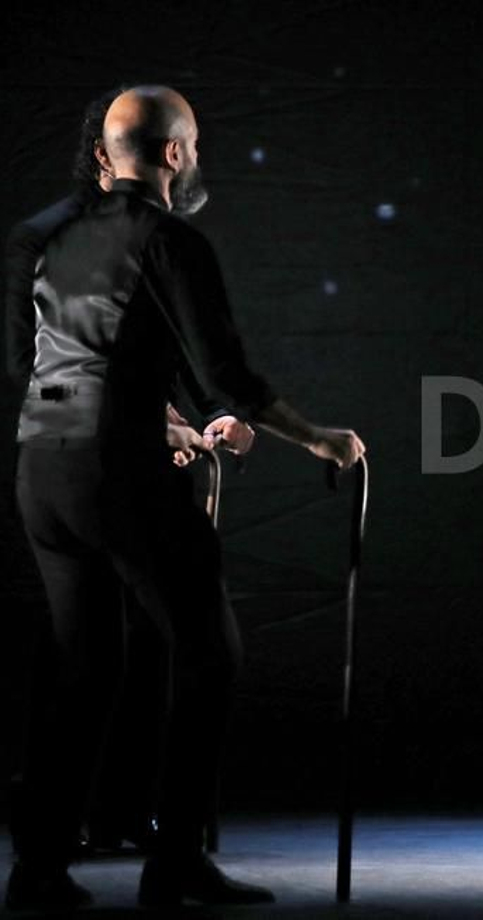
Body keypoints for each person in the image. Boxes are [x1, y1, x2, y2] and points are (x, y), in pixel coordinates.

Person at [4, 84, 364, 911]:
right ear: (173, 154)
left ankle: (39, 867)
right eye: (192, 147)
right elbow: (225, 375)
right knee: (208, 651)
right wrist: (318, 438)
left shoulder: (53, 238)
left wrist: (175, 424)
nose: (195, 160)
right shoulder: (172, 239)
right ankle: (175, 862)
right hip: (115, 475)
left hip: (43, 471)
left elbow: (64, 361)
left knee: (81, 667)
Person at [3, 86, 254, 860]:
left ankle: (71, 843)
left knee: (107, 660)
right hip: (100, 465)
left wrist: (173, 419)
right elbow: (47, 366)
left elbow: (116, 355)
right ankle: (147, 846)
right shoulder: (112, 237)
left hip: (68, 464)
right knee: (176, 651)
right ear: (169, 152)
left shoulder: (79, 234)